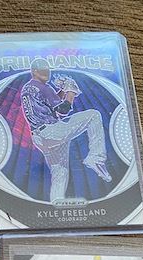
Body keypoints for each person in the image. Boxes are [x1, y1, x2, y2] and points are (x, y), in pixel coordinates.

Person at [19, 57, 111, 203]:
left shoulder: (28, 88)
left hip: (39, 137)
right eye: (42, 70)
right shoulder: (43, 87)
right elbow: (63, 110)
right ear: (34, 71)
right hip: (51, 131)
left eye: (47, 70)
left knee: (60, 172)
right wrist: (70, 92)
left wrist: (63, 91)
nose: (47, 73)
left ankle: (57, 205)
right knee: (93, 115)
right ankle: (96, 157)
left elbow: (50, 105)